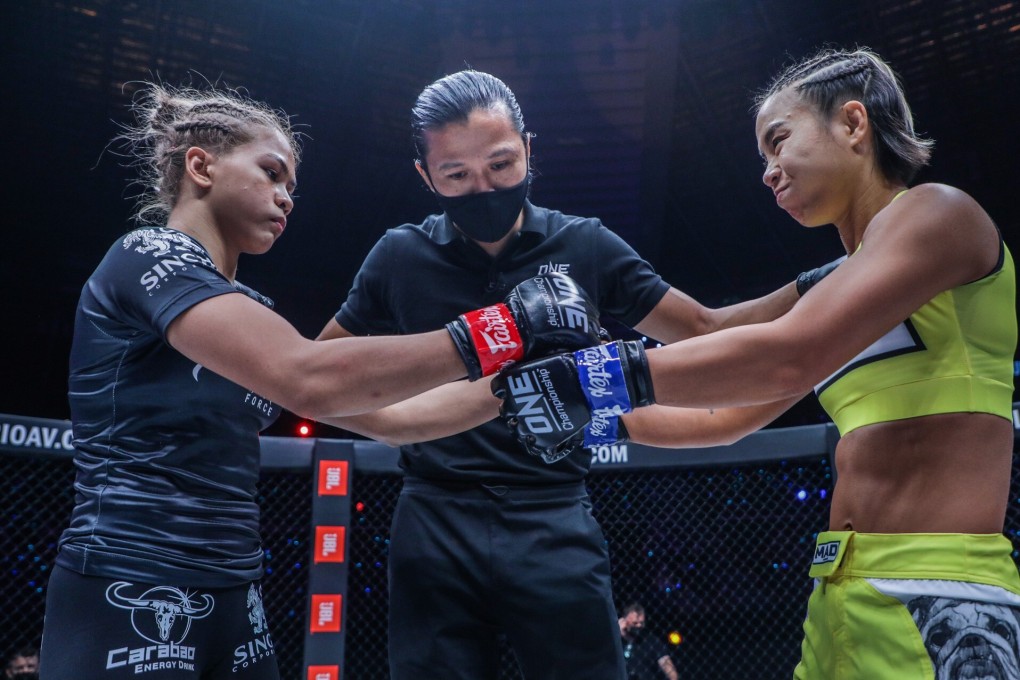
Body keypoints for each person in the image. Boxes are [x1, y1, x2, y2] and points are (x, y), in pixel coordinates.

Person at [37, 82, 603, 679]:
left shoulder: (247, 306)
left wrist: (529, 386)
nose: (286, 198)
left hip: (235, 585)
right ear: (200, 165)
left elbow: (397, 419)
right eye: (272, 172)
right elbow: (307, 375)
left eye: (291, 187)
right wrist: (506, 327)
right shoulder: (147, 255)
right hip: (128, 575)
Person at [495, 47, 1019, 680]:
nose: (768, 172)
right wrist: (593, 414)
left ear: (853, 124)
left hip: (940, 595)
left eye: (778, 141)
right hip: (837, 595)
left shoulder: (940, 214)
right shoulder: (837, 287)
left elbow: (784, 355)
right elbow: (721, 399)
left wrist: (590, 380)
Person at [317, 69, 834, 679]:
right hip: (433, 516)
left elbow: (702, 328)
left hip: (553, 511)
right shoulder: (399, 255)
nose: (483, 186)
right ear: (424, 175)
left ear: (529, 150)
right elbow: (323, 373)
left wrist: (818, 286)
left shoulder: (584, 245)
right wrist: (401, 423)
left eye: (502, 164)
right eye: (457, 175)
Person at [619, 604, 679, 680]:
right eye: (635, 623)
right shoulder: (615, 641)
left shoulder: (651, 641)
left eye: (641, 623)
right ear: (624, 621)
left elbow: (666, 663)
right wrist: (618, 633)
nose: (639, 626)